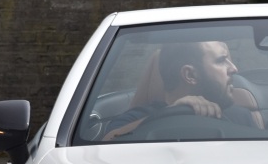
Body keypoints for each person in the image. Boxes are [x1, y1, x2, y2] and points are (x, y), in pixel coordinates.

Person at [101, 40, 257, 139]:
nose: (234, 68)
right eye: (221, 61)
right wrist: (172, 112)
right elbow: (109, 142)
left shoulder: (240, 117)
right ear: (190, 75)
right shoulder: (135, 119)